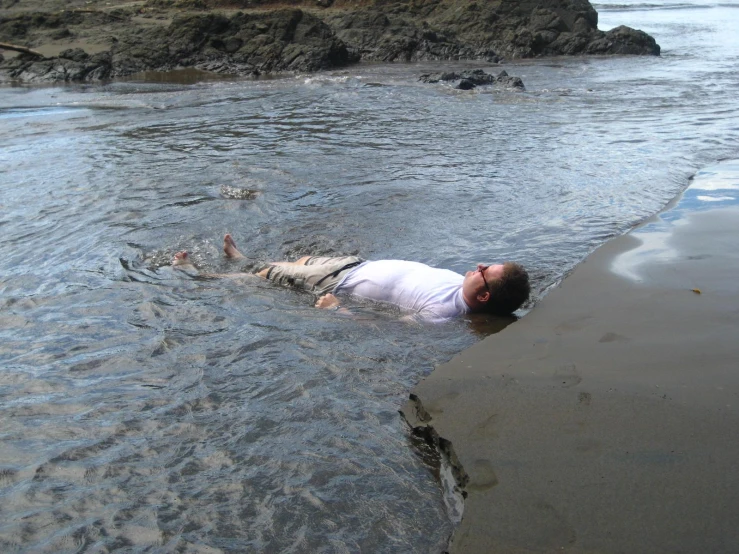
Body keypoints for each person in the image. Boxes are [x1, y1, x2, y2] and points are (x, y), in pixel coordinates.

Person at [172, 234, 530, 323]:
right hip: (352, 264)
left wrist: (336, 310)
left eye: (484, 271)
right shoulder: (462, 285)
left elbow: (386, 327)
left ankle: (200, 275)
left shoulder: (442, 313)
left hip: (335, 284)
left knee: (267, 276)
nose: (478, 265)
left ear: (483, 296)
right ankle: (242, 258)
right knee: (296, 260)